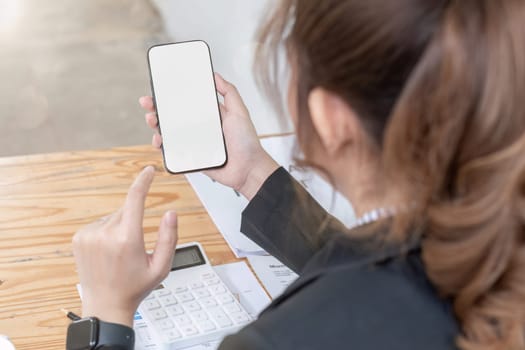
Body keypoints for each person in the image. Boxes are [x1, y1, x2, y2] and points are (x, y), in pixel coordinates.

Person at [70, 0, 525, 349]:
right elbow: (387, 274)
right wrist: (252, 175)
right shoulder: (488, 236)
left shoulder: (282, 341)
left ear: (331, 117)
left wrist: (104, 318)